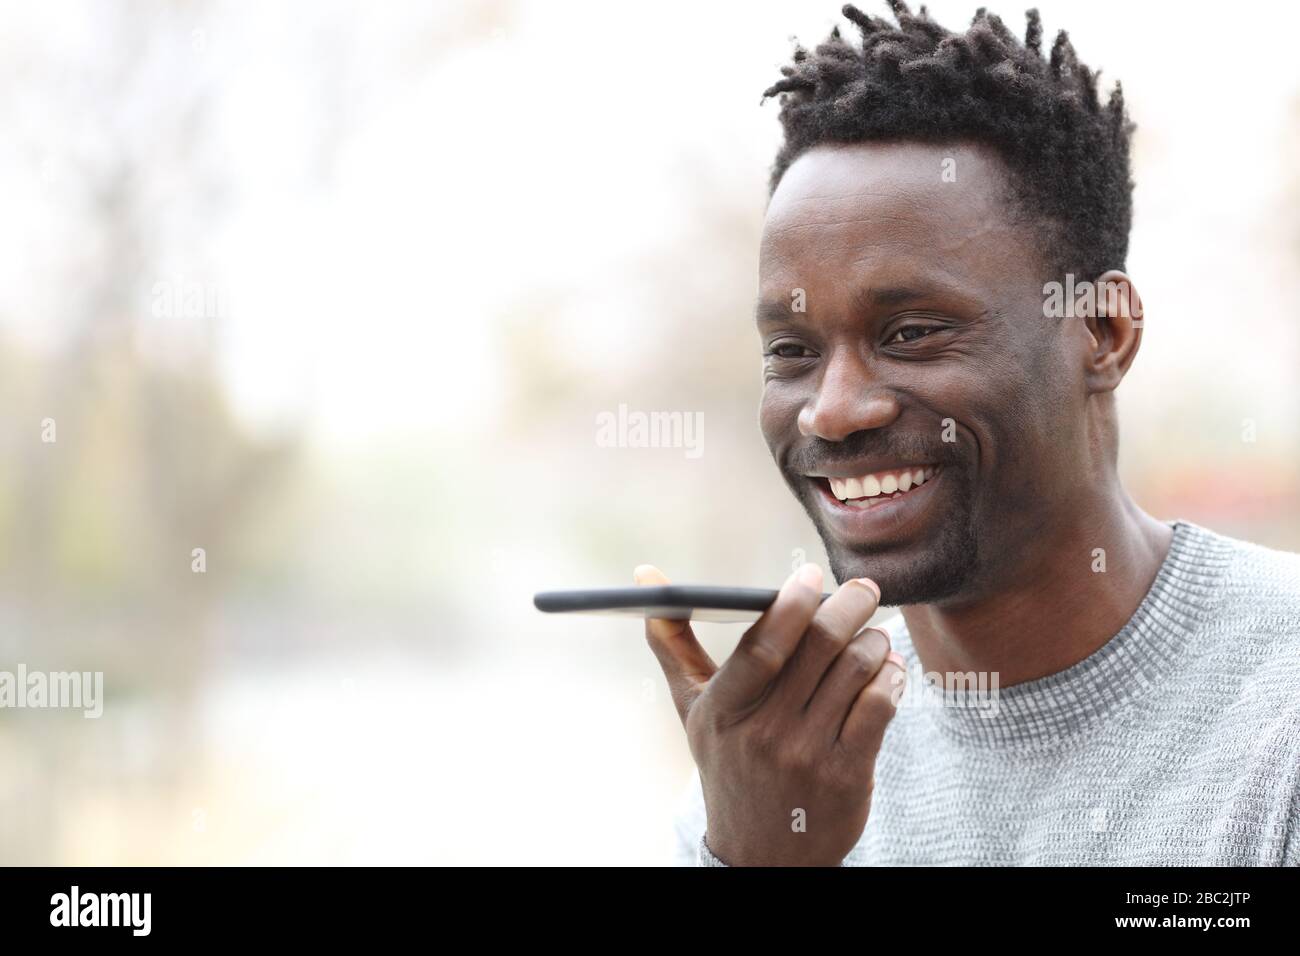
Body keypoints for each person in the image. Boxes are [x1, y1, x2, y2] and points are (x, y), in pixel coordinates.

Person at [637, 1, 1300, 866]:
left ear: (1102, 333)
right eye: (792, 350)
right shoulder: (782, 759)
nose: (831, 410)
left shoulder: (1276, 717)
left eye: (910, 333)